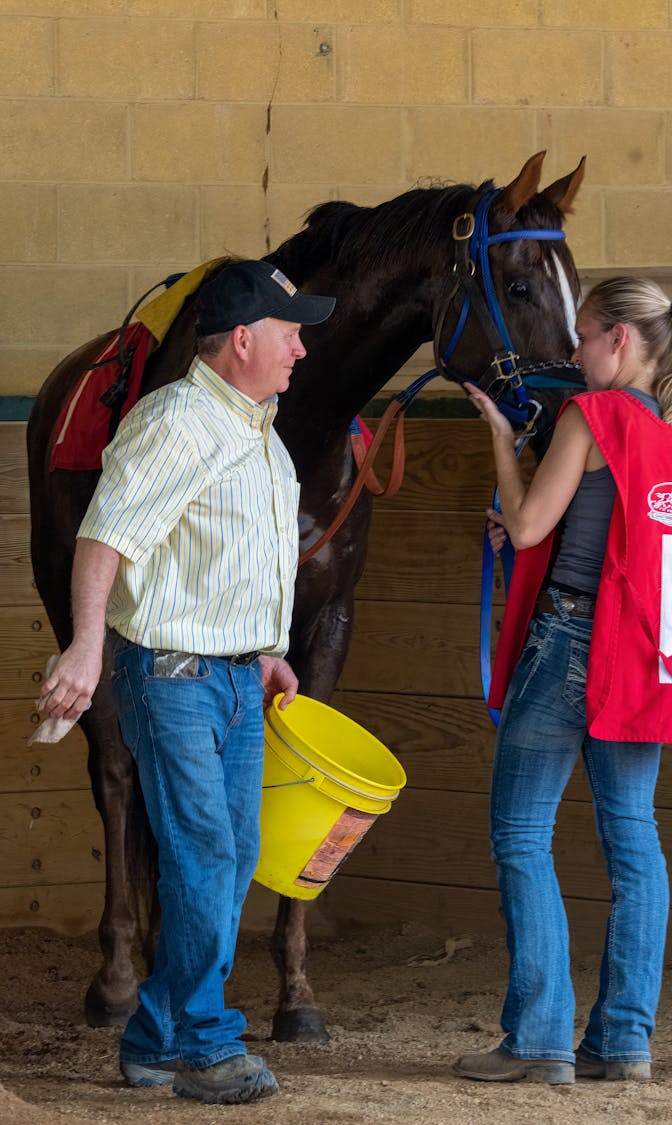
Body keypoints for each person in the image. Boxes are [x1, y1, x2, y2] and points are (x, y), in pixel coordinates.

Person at [38, 259, 336, 1105]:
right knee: (206, 854)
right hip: (172, 678)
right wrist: (88, 646)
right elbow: (107, 538)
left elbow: (236, 556)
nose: (302, 351)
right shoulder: (175, 424)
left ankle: (155, 1032)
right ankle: (208, 1044)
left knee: (235, 856)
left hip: (239, 677)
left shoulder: (258, 431)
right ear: (242, 340)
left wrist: (266, 647)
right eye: (290, 333)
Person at [453, 277, 672, 1086]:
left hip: (573, 640)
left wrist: (503, 442)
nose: (571, 354)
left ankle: (538, 1038)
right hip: (649, 658)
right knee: (634, 842)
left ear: (618, 342)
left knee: (521, 833)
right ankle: (623, 1040)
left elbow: (531, 523)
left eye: (580, 337)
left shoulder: (592, 415)